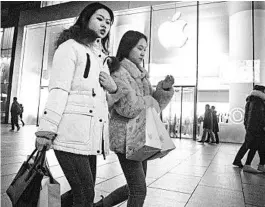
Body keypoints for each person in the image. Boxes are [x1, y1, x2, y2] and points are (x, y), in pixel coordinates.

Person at [34, 3, 125, 207]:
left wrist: (113, 88)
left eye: (108, 22)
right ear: (86, 19)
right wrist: (45, 131)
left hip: (88, 138)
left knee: (83, 193)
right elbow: (58, 90)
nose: (104, 25)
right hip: (70, 134)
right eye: (99, 19)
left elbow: (103, 103)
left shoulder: (101, 57)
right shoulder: (69, 48)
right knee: (84, 194)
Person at [94, 30, 175, 207]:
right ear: (127, 47)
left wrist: (164, 90)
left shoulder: (141, 75)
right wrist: (148, 101)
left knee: (136, 186)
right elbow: (127, 108)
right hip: (125, 138)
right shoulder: (118, 71)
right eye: (139, 48)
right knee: (139, 189)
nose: (143, 52)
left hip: (141, 136)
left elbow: (155, 107)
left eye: (145, 49)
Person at [233, 85, 265, 173]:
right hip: (255, 128)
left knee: (251, 145)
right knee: (252, 145)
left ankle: (241, 161)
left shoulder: (251, 100)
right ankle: (246, 163)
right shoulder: (258, 101)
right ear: (261, 91)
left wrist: (247, 126)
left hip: (251, 127)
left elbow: (247, 116)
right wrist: (261, 126)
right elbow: (258, 116)